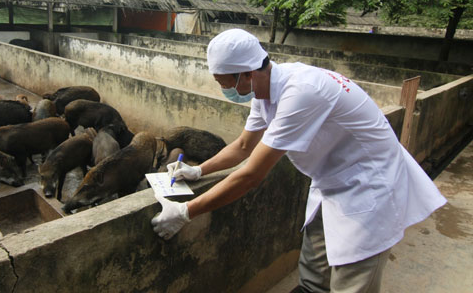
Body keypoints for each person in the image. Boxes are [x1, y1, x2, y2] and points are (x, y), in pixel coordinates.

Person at [151, 29, 446, 293]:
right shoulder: (263, 90)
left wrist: (186, 212)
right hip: (332, 179)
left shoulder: (302, 92)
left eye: (222, 81)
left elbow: (251, 175)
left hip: (369, 185)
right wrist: (199, 169)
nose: (222, 89)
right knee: (314, 270)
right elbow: (242, 146)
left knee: (352, 280)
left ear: (247, 74)